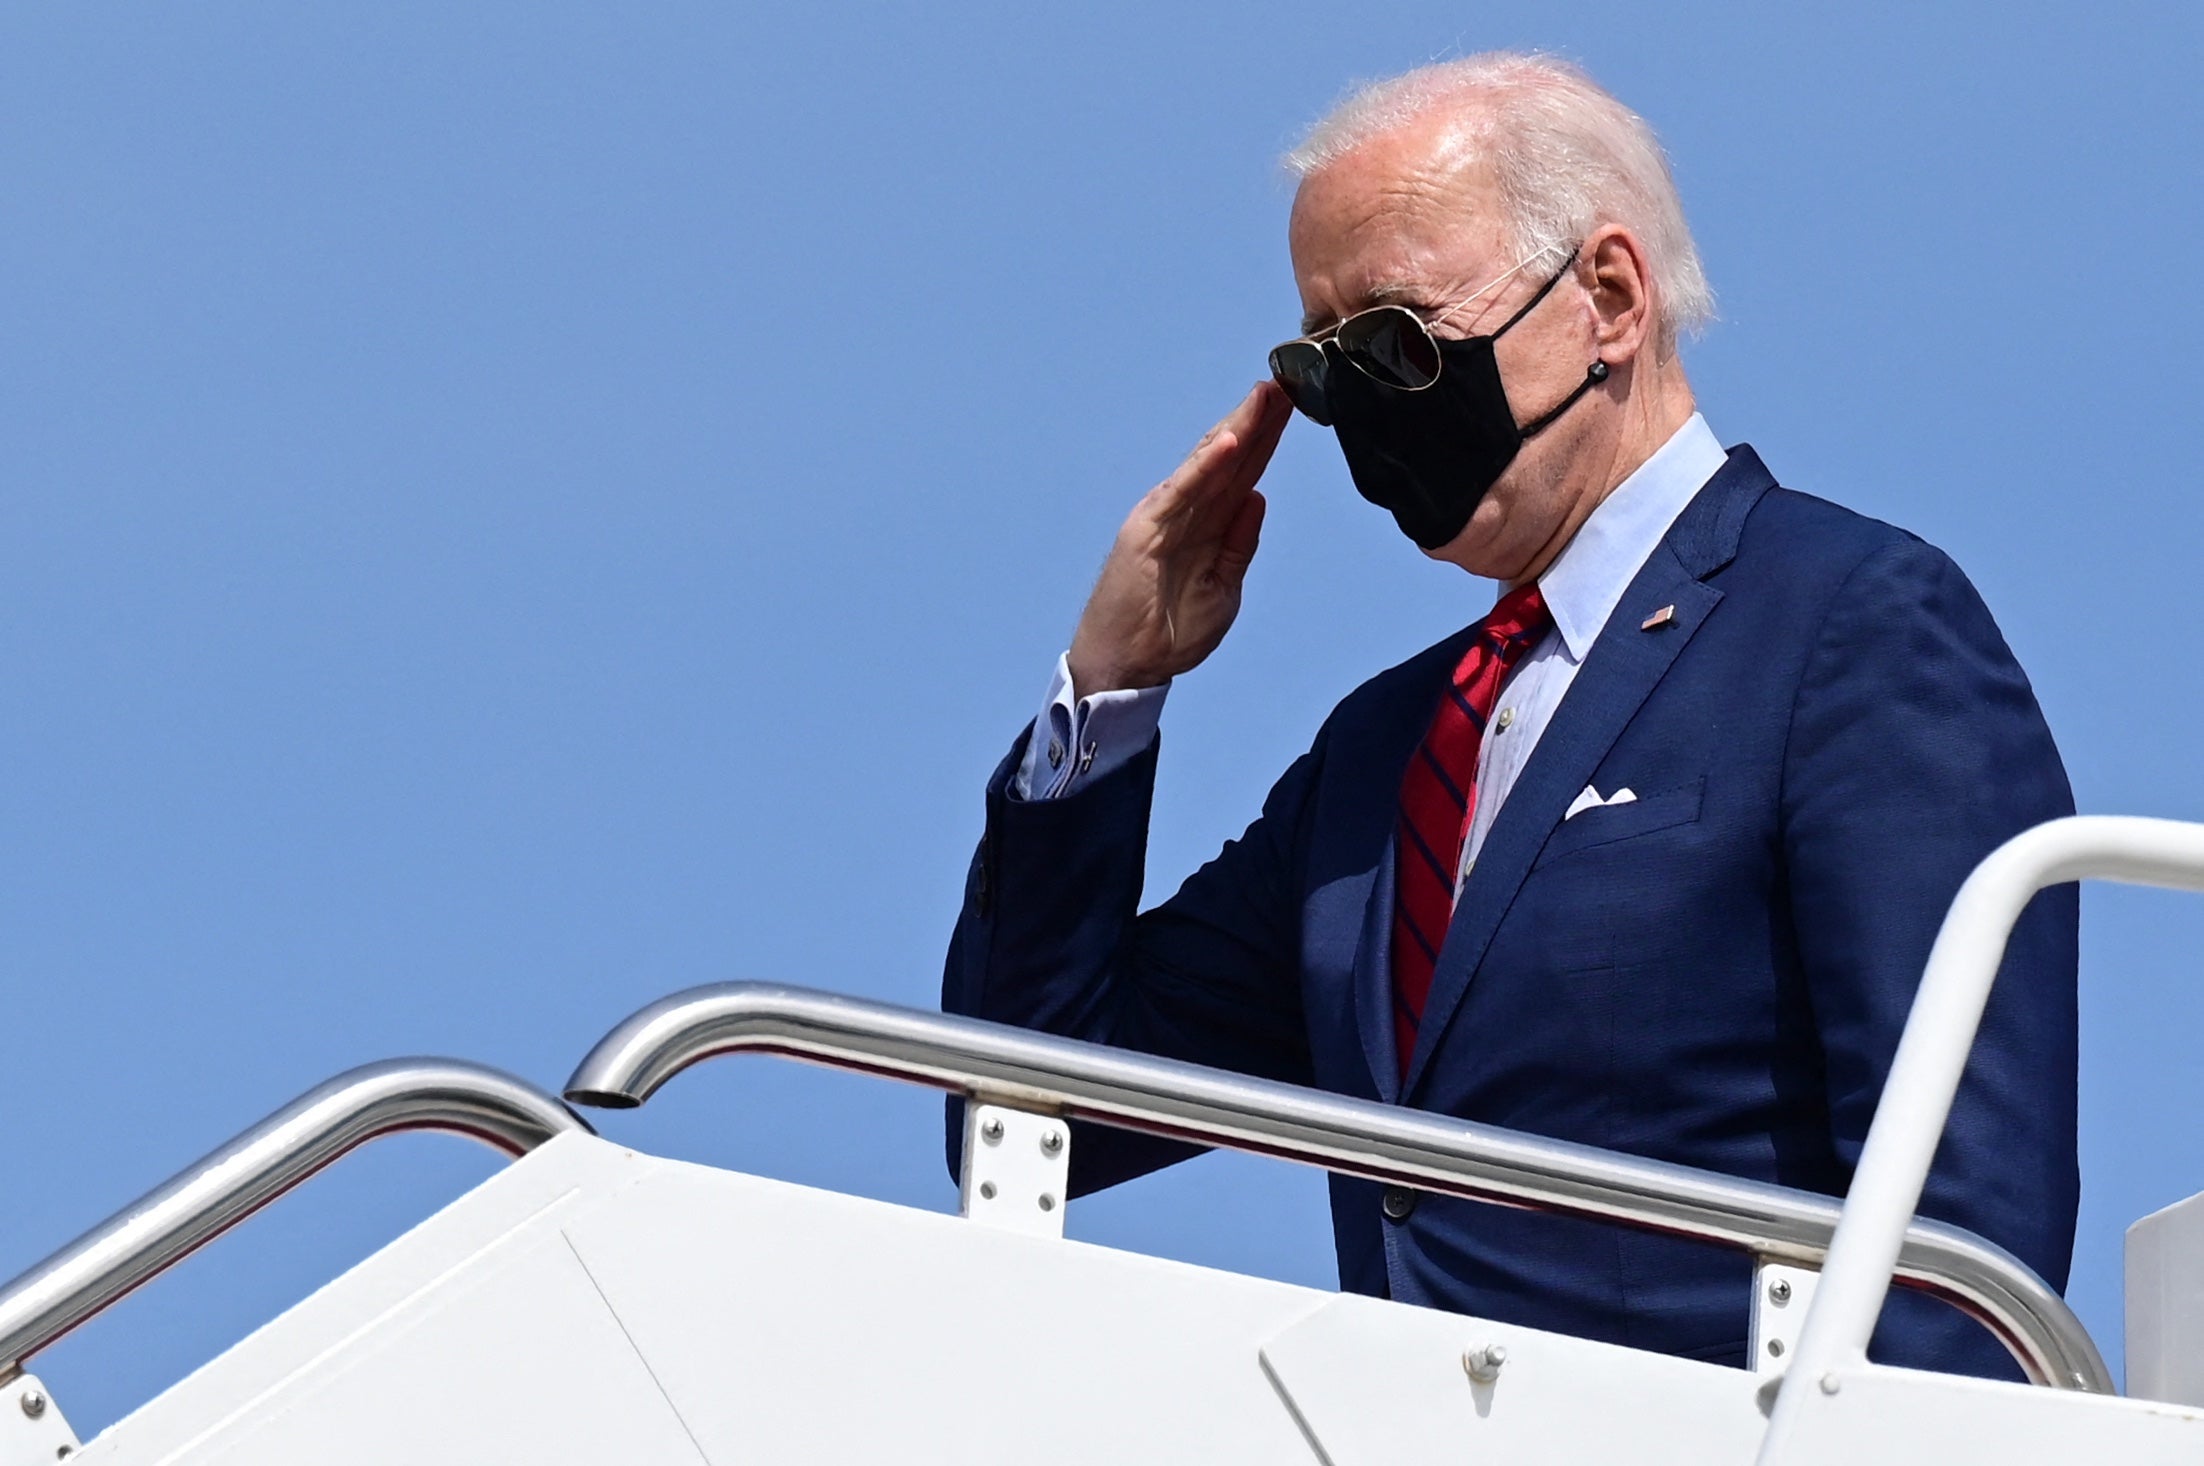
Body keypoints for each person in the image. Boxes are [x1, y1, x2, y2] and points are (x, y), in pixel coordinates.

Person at [941, 52, 2076, 1378]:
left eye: (1397, 344)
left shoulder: (1849, 625)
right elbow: (1030, 1108)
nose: (1364, 408)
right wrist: (1115, 684)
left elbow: (1964, 1238)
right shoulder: (1385, 754)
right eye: (1323, 373)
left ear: (1608, 296)